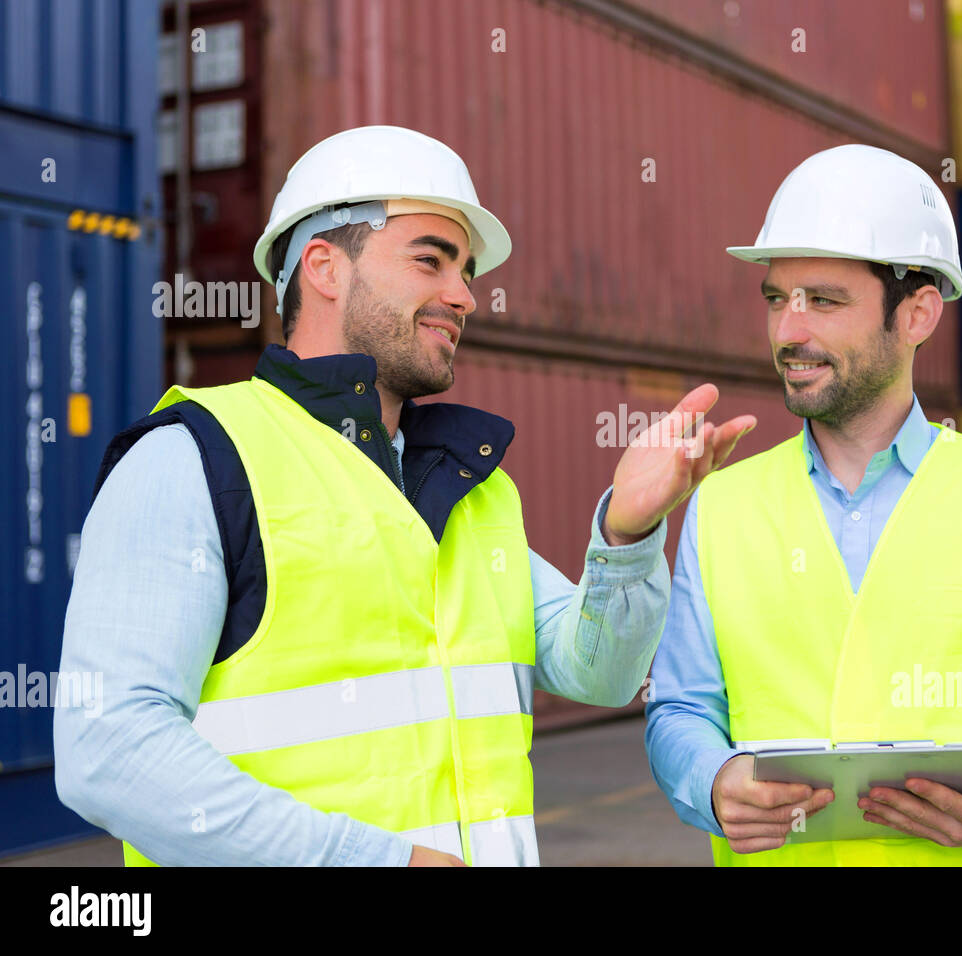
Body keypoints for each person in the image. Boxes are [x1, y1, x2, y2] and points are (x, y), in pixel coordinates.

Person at [54, 125, 754, 867]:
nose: (464, 297)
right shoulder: (192, 460)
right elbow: (109, 747)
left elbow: (602, 673)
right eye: (432, 260)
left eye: (468, 272)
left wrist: (627, 533)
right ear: (324, 266)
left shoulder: (470, 488)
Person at [644, 144, 962, 866]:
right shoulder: (721, 507)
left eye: (825, 300)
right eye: (778, 299)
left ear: (917, 314)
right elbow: (682, 709)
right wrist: (711, 781)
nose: (789, 332)